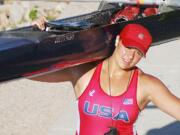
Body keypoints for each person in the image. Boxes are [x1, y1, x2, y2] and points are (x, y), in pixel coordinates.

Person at [31, 19, 180, 135]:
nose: (130, 56)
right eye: (128, 47)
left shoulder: (146, 85)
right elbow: (32, 72)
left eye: (138, 53)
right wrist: (38, 35)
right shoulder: (84, 73)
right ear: (117, 41)